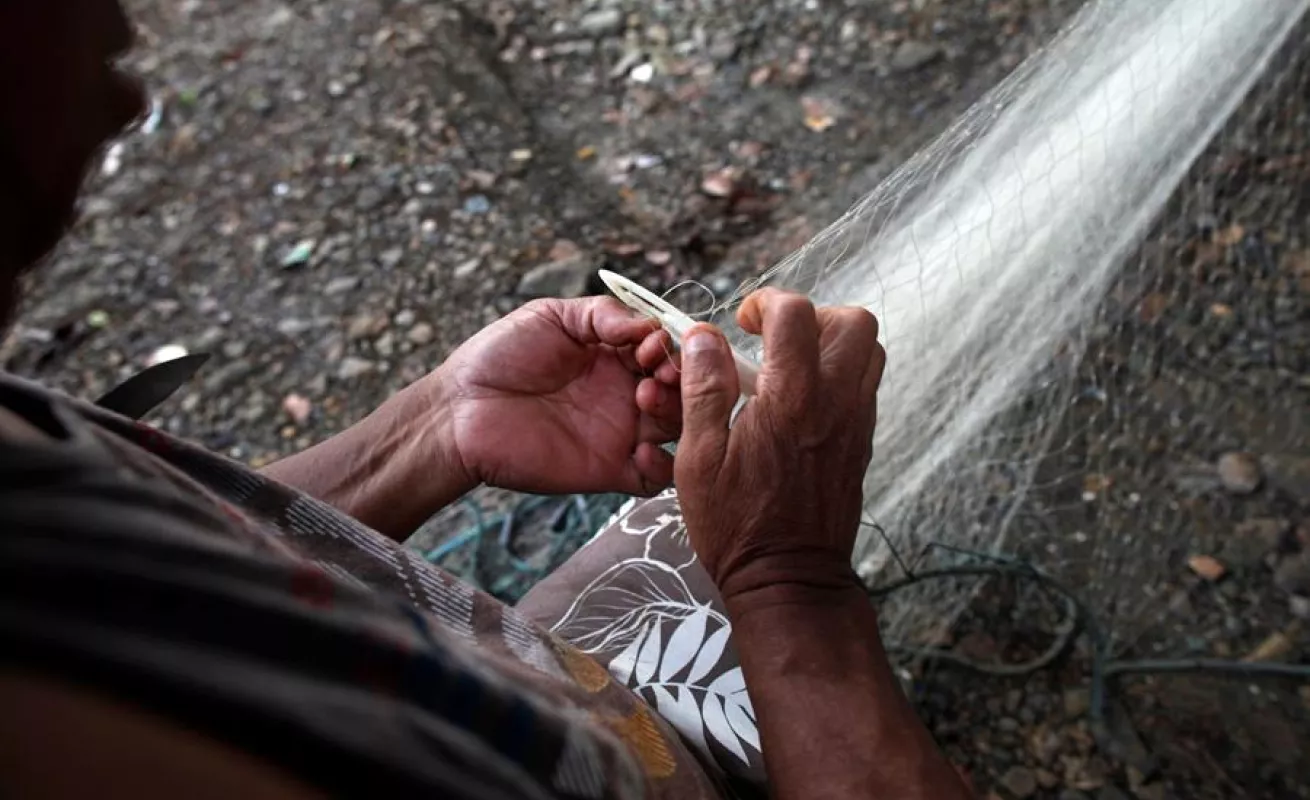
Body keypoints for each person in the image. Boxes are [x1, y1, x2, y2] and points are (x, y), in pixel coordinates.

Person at [0, 3, 972, 798]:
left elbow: (176, 592)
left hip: (570, 701)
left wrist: (435, 426)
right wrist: (788, 585)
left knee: (721, 498)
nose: (127, 75)